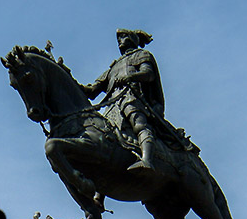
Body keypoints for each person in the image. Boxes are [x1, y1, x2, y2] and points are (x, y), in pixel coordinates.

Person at [81, 29, 198, 169]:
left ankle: (147, 161)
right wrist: (68, 78)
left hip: (132, 98)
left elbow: (148, 74)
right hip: (112, 105)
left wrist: (129, 77)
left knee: (139, 125)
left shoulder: (141, 55)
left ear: (132, 38)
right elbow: (92, 90)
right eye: (118, 38)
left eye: (123, 36)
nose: (119, 40)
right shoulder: (112, 68)